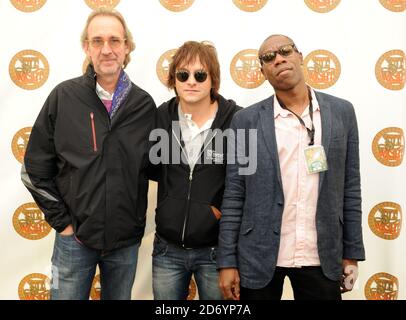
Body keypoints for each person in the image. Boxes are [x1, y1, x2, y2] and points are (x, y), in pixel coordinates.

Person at [21, 8, 156, 300]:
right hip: (75, 242)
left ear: (126, 46)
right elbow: (33, 168)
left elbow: (159, 167)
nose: (106, 49)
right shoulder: (64, 97)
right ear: (86, 47)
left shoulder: (144, 105)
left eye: (114, 40)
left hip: (125, 243)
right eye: (97, 41)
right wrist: (64, 224)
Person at [217, 34, 365, 300]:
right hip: (258, 254)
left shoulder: (342, 113)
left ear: (300, 56)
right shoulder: (246, 121)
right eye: (268, 57)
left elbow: (350, 187)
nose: (278, 59)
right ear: (263, 72)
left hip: (321, 254)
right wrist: (227, 261)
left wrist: (351, 252)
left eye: (285, 51)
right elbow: (235, 194)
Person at [149, 41, 241, 300]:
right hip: (167, 250)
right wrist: (172, 204)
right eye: (183, 75)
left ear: (213, 80)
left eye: (200, 75)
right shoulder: (161, 118)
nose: (191, 81)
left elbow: (247, 183)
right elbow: (153, 169)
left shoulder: (238, 121)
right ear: (174, 80)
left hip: (216, 251)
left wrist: (215, 210)